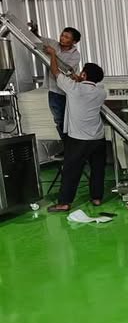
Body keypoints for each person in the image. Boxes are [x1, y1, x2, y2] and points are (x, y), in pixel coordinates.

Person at [43, 45, 106, 213]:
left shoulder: (73, 88)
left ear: (83, 74)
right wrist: (79, 79)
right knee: (98, 169)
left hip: (78, 139)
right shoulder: (101, 92)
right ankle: (97, 198)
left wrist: (53, 55)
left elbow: (55, 72)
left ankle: (64, 203)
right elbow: (86, 85)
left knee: (71, 171)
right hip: (98, 138)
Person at [30, 23, 81, 140]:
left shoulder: (75, 55)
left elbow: (64, 70)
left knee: (68, 120)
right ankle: (67, 144)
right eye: (62, 35)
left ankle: (71, 144)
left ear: (74, 42)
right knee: (59, 120)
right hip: (54, 91)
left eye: (67, 37)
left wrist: (53, 54)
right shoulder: (53, 44)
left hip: (66, 92)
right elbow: (38, 40)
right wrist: (34, 32)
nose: (62, 38)